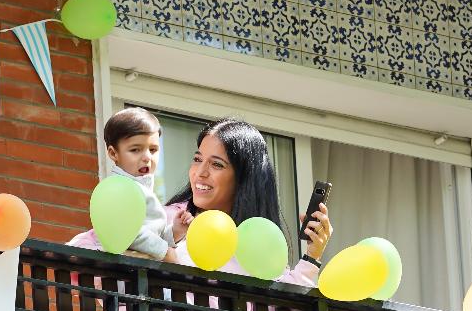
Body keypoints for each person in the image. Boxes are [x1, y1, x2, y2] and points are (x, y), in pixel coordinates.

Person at [70, 117, 332, 285]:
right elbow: (83, 246)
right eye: (197, 159)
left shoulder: (254, 245)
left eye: (216, 164)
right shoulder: (171, 218)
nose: (200, 173)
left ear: (243, 179)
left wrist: (313, 255)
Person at [69, 108, 190, 261]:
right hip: (120, 275)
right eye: (135, 150)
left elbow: (150, 236)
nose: (147, 157)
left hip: (141, 275)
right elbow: (126, 232)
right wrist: (164, 251)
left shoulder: (142, 188)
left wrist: (174, 232)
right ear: (113, 153)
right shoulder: (117, 188)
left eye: (153, 150)